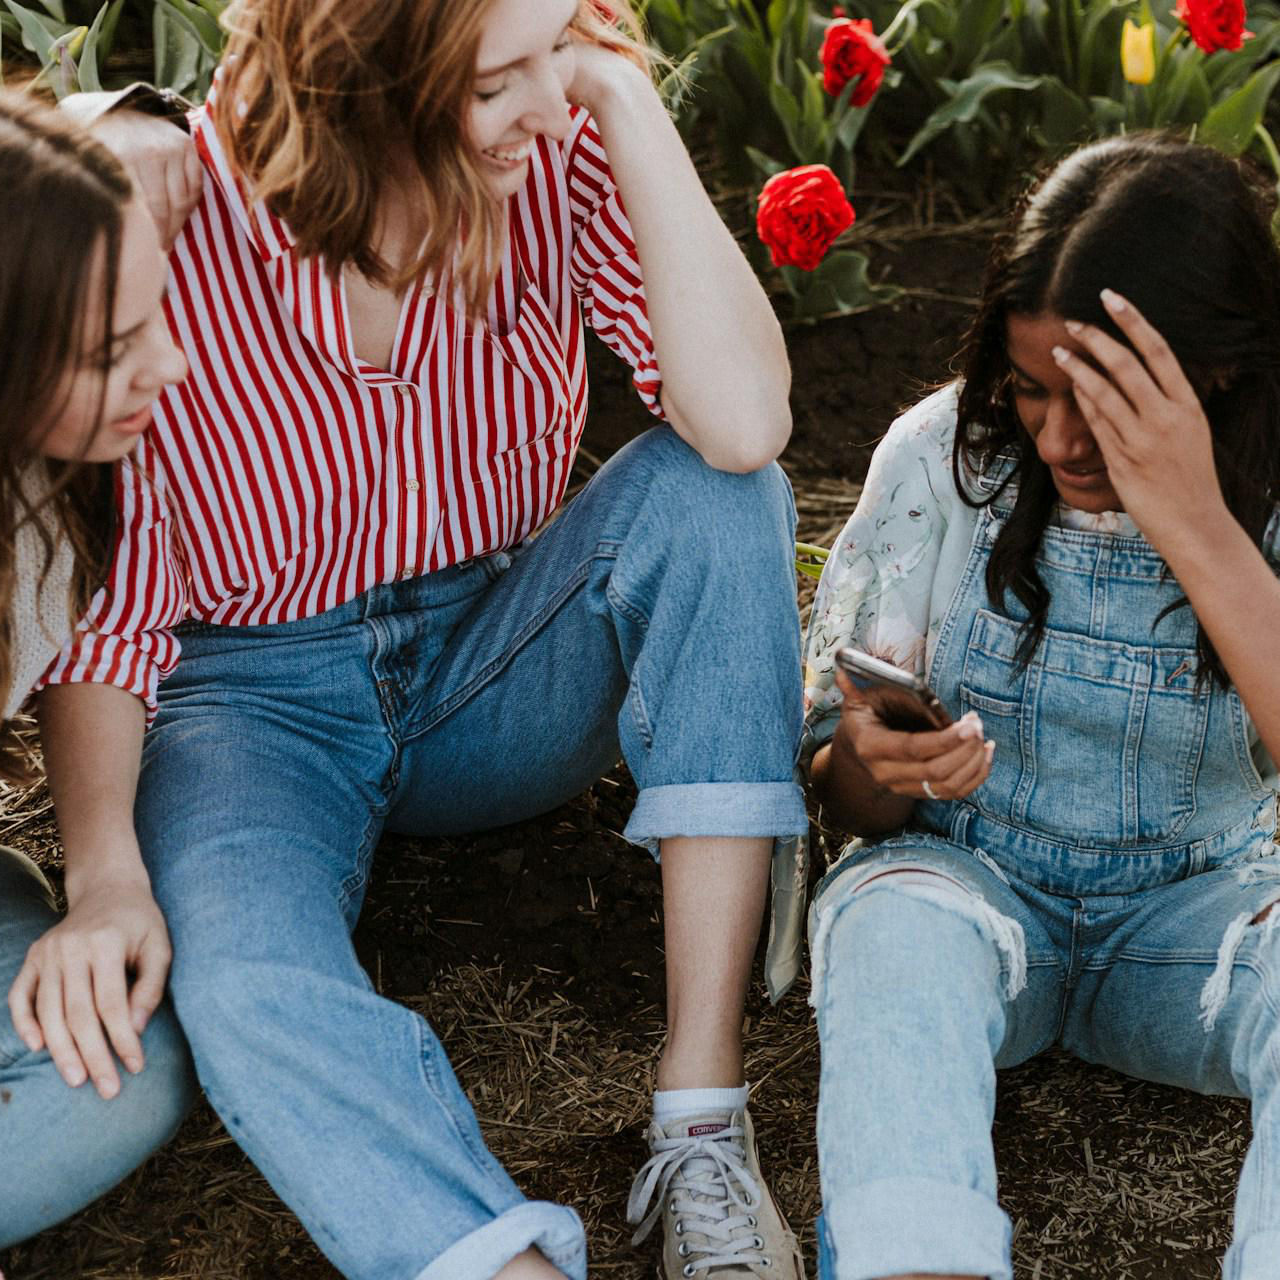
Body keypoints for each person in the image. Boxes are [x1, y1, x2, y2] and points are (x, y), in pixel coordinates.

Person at [54, 1, 810, 1276]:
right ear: (361, 85)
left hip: (495, 651)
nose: (547, 102)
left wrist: (623, 99)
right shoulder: (172, 207)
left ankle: (698, 1113)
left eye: (555, 56)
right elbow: (111, 595)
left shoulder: (555, 151)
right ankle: (487, 1256)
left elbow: (739, 424)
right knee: (241, 986)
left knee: (721, 494)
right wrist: (106, 871)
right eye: (499, 79)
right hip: (252, 703)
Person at [802, 132, 1280, 1280]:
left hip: (1196, 916)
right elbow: (845, 794)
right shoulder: (937, 461)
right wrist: (873, 764)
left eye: (1100, 403)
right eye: (1029, 389)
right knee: (889, 926)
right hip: (968, 891)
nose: (1059, 438)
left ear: (1209, 369)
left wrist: (1194, 518)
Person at [0, 90, 193, 1251]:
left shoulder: (59, 486)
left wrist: (107, 878)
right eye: (113, 349)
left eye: (153, 317)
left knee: (123, 1067)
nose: (166, 366)